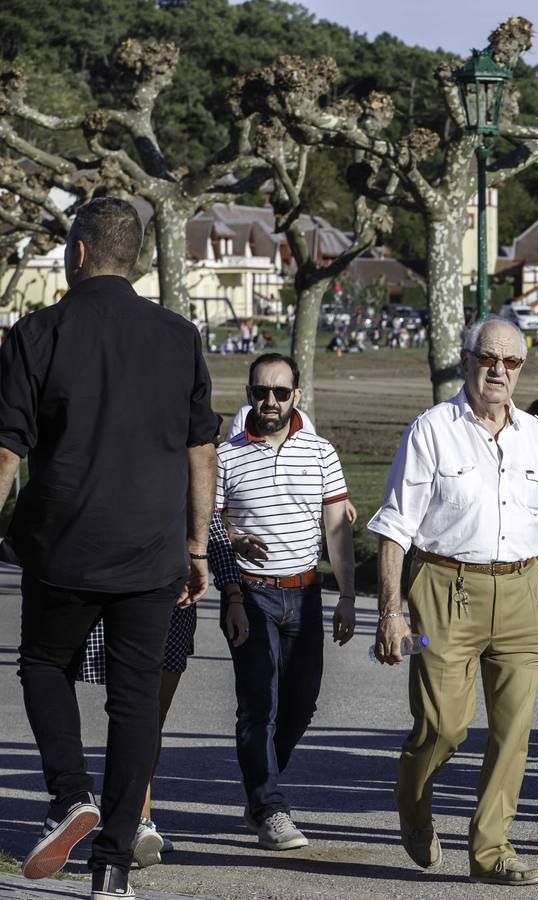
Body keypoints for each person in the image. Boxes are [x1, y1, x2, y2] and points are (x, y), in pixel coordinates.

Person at [0, 197, 219, 899]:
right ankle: (114, 865)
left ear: (80, 251)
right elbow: (202, 452)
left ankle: (70, 796)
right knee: (133, 704)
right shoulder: (179, 336)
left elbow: (5, 454)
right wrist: (196, 546)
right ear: (137, 257)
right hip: (152, 552)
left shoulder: (37, 332)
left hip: (63, 545)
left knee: (42, 665)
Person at [368, 316, 538, 886]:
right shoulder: (432, 429)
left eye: (511, 362)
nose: (499, 371)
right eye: (488, 359)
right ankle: (412, 798)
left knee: (514, 731)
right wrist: (391, 611)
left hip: (525, 591)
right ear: (467, 361)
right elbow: (395, 528)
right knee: (443, 726)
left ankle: (492, 850)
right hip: (444, 590)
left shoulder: (535, 434)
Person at [216, 353, 356, 851]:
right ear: (249, 394)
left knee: (300, 705)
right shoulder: (226, 455)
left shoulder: (321, 453)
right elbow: (210, 524)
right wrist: (232, 541)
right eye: (260, 392)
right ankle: (270, 807)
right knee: (259, 705)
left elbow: (337, 529)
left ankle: (259, 784)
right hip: (250, 593)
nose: (269, 401)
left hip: (306, 594)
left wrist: (347, 596)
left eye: (280, 392)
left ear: (297, 395)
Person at [75, 513, 245, 869]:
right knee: (132, 713)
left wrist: (233, 594)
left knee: (152, 718)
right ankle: (133, 821)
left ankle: (137, 819)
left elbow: (210, 526)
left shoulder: (186, 466)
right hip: (122, 597)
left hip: (176, 605)